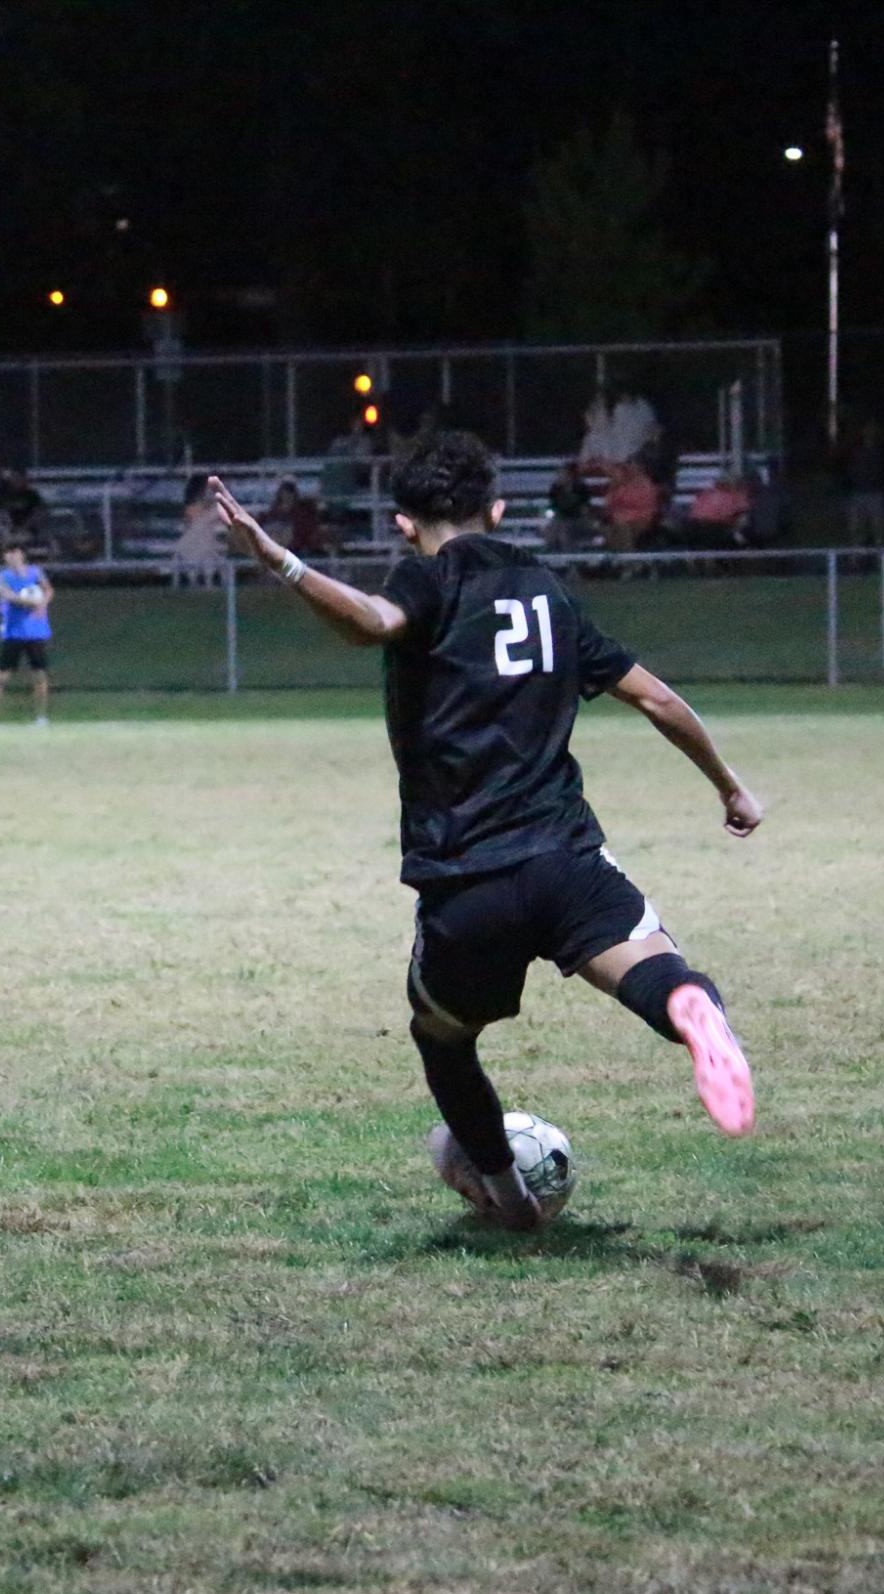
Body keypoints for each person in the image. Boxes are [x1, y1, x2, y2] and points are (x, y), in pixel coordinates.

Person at [206, 430, 762, 1233]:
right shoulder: (548, 589)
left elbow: (370, 620)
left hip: (467, 877)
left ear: (403, 522)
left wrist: (277, 558)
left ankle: (509, 1200)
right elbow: (659, 700)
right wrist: (729, 786)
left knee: (442, 1037)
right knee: (657, 969)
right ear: (497, 509)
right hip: (567, 858)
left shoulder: (426, 576)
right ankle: (689, 1010)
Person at [0, 541, 53, 727]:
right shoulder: (0, 577)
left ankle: (41, 717)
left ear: (21, 554)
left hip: (35, 632)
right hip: (14, 633)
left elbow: (48, 590)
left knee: (39, 675)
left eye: (13, 552)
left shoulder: (36, 572)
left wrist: (43, 603)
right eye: (7, 553)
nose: (10, 556)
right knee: (2, 675)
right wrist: (31, 602)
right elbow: (9, 596)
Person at [840, 419, 884, 548]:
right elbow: (844, 468)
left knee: (879, 530)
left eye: (872, 428)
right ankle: (856, 560)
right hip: (856, 493)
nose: (869, 431)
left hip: (877, 493)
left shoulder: (883, 449)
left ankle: (880, 561)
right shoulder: (853, 448)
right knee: (855, 531)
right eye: (867, 428)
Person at [170, 472, 227, 588]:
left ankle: (204, 580)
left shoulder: (214, 507)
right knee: (200, 532)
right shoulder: (192, 507)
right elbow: (191, 521)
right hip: (192, 543)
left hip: (205, 543)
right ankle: (199, 579)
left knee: (205, 535)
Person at [544, 458, 598, 551]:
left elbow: (580, 508)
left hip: (578, 521)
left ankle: (567, 558)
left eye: (562, 473)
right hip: (561, 520)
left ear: (570, 475)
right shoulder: (555, 489)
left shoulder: (580, 488)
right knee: (551, 530)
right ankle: (552, 557)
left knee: (564, 530)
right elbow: (553, 506)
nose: (559, 476)